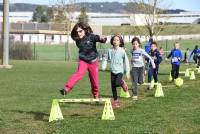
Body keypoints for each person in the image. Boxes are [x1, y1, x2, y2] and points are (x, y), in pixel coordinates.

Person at [59, 22, 107, 98]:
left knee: (94, 81)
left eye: (80, 31)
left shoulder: (91, 36)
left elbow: (99, 38)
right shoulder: (77, 40)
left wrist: (102, 39)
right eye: (77, 32)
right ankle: (66, 89)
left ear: (85, 30)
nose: (78, 33)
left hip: (93, 62)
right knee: (79, 74)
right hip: (83, 61)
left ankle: (96, 94)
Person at [108, 35, 130, 108]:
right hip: (112, 71)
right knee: (113, 86)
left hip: (120, 71)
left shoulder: (122, 51)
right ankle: (116, 101)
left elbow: (126, 61)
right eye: (114, 40)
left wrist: (127, 71)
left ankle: (122, 83)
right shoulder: (110, 50)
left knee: (117, 83)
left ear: (120, 42)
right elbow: (108, 59)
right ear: (112, 41)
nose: (115, 41)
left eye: (117, 40)